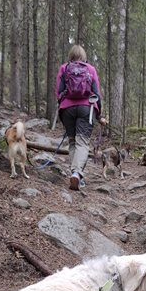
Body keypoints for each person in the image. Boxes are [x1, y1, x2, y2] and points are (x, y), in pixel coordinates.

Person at [56, 45, 107, 191]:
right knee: (82, 143)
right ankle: (78, 174)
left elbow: (58, 92)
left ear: (70, 56)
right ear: (84, 57)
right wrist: (99, 115)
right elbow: (96, 93)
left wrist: (63, 106)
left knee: (72, 142)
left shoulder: (64, 68)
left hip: (67, 108)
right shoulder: (90, 69)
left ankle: (76, 174)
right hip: (86, 108)